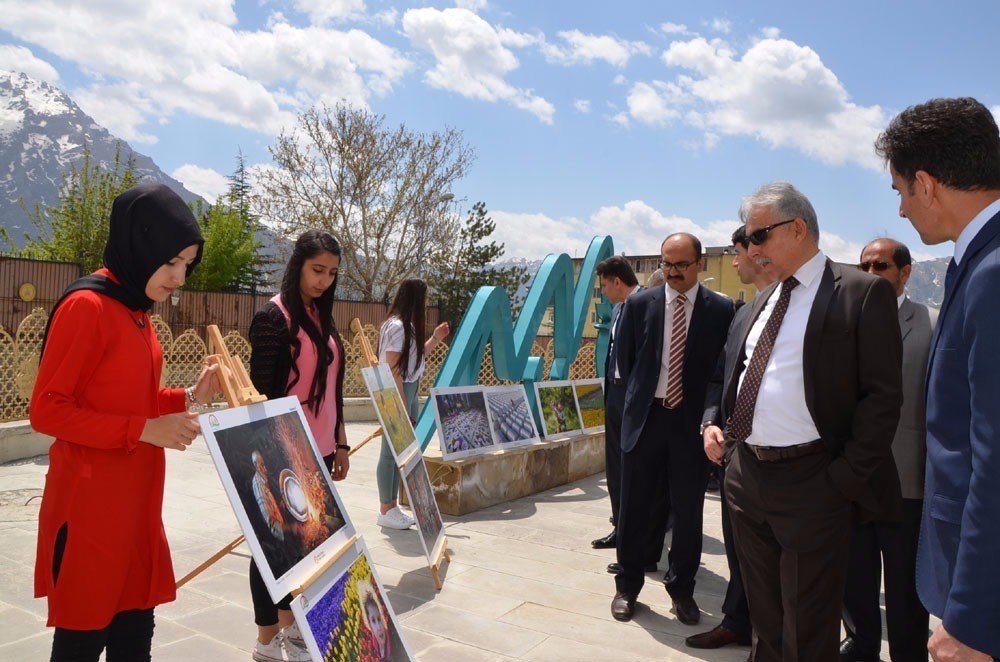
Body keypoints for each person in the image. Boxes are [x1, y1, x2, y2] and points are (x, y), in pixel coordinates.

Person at [30, 183, 221, 661]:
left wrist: (191, 395)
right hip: (91, 514)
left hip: (136, 511)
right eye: (171, 261)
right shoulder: (87, 307)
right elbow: (48, 409)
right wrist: (141, 429)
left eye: (186, 265)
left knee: (135, 640)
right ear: (141, 245)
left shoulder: (137, 313)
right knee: (80, 641)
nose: (179, 277)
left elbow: (131, 399)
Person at [722, 182, 902, 661]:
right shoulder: (760, 302)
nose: (750, 247)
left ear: (797, 228)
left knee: (808, 627)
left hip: (813, 483)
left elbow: (882, 399)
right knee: (766, 622)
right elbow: (740, 376)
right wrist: (725, 439)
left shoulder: (861, 293)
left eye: (758, 235)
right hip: (748, 479)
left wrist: (840, 482)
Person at [876, 97, 1000, 661]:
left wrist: (972, 618)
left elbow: (992, 459)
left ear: (926, 184)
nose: (902, 209)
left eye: (901, 191)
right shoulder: (976, 262)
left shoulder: (991, 274)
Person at [611, 233, 734, 624]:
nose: (673, 272)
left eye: (681, 265)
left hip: (691, 425)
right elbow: (628, 364)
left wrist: (709, 418)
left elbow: (721, 371)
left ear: (699, 264)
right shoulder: (639, 304)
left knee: (687, 511)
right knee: (634, 507)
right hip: (647, 420)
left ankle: (682, 590)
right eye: (667, 264)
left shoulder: (721, 309)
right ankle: (628, 587)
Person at [247, 229, 351, 662]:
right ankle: (267, 637)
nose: (323, 281)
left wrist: (340, 444)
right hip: (284, 449)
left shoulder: (321, 317)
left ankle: (291, 628)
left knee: (307, 546)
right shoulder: (273, 319)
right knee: (272, 545)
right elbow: (259, 395)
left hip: (321, 450)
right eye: (316, 270)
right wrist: (273, 455)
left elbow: (334, 389)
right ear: (297, 265)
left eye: (331, 273)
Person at [840, 238, 936, 662]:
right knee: (855, 577)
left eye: (881, 265)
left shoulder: (931, 324)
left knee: (903, 585)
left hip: (906, 478)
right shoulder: (842, 322)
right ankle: (860, 648)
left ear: (905, 272)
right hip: (853, 477)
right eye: (864, 266)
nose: (871, 273)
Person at [689, 224, 775, 651]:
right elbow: (722, 378)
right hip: (734, 459)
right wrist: (710, 422)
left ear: (755, 251)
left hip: (784, 463)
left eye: (735, 252)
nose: (734, 261)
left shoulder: (803, 306)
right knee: (740, 550)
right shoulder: (743, 313)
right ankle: (737, 621)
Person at [376, 279, 448, 530]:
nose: (427, 303)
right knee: (390, 452)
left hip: (408, 390)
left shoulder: (405, 326)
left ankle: (392, 507)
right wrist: (403, 407)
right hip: (397, 392)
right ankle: (386, 508)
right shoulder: (398, 327)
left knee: (400, 453)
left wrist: (435, 338)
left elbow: (413, 358)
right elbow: (393, 369)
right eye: (425, 298)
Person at [591, 256, 640, 553]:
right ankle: (619, 528)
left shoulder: (645, 305)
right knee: (615, 465)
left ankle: (636, 536)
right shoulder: (619, 309)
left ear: (618, 282)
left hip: (634, 398)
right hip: (615, 393)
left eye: (605, 286)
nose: (604, 293)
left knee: (634, 469)